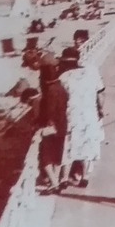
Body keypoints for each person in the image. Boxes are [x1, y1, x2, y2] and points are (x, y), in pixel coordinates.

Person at [57, 45, 105, 190]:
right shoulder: (92, 72)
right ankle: (85, 177)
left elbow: (61, 100)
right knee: (87, 145)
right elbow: (100, 94)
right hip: (90, 114)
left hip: (72, 114)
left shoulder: (63, 78)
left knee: (69, 145)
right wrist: (100, 109)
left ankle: (64, 178)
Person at [35, 57, 68, 194]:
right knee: (57, 155)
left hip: (52, 127)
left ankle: (54, 184)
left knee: (45, 157)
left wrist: (44, 126)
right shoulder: (61, 88)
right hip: (63, 125)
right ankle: (55, 181)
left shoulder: (50, 92)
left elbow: (49, 112)